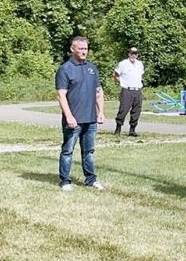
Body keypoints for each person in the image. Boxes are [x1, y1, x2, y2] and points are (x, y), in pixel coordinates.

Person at [55, 36, 105, 191]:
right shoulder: (65, 69)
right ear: (72, 49)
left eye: (86, 49)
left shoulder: (92, 68)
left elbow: (98, 92)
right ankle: (65, 181)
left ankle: (90, 179)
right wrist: (69, 116)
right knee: (68, 151)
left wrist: (101, 112)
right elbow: (61, 95)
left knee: (89, 151)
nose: (84, 52)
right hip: (74, 120)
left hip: (90, 120)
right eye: (81, 49)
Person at [113, 46, 144, 137]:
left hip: (137, 90)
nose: (133, 55)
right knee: (123, 110)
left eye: (135, 53)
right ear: (129, 54)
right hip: (127, 90)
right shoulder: (123, 63)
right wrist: (122, 82)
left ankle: (132, 130)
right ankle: (118, 128)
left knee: (136, 110)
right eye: (131, 53)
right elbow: (115, 75)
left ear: (137, 55)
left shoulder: (140, 64)